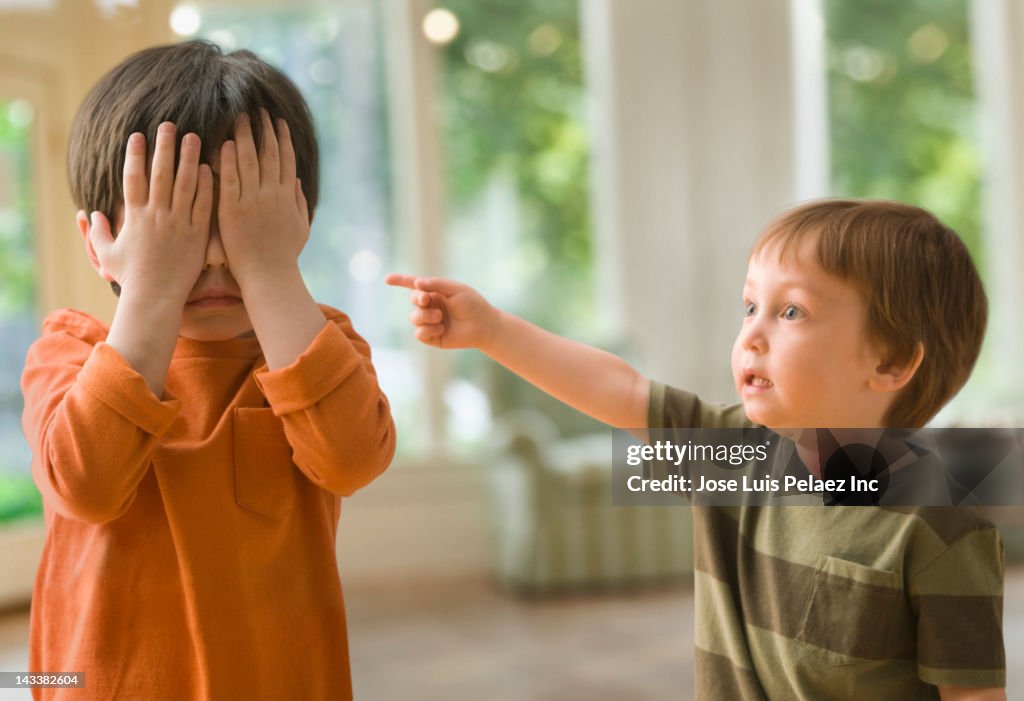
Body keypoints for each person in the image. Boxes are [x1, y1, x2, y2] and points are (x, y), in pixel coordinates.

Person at [388, 198, 1005, 700]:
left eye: (791, 311)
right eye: (750, 306)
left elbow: (972, 695)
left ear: (891, 361)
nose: (752, 336)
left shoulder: (943, 525)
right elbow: (620, 388)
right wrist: (493, 330)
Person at [20, 41, 395, 700]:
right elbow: (88, 484)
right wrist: (153, 290)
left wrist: (272, 270)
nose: (217, 255)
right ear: (98, 242)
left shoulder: (320, 345)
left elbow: (352, 458)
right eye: (178, 224)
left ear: (295, 220)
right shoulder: (69, 351)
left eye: (240, 219)